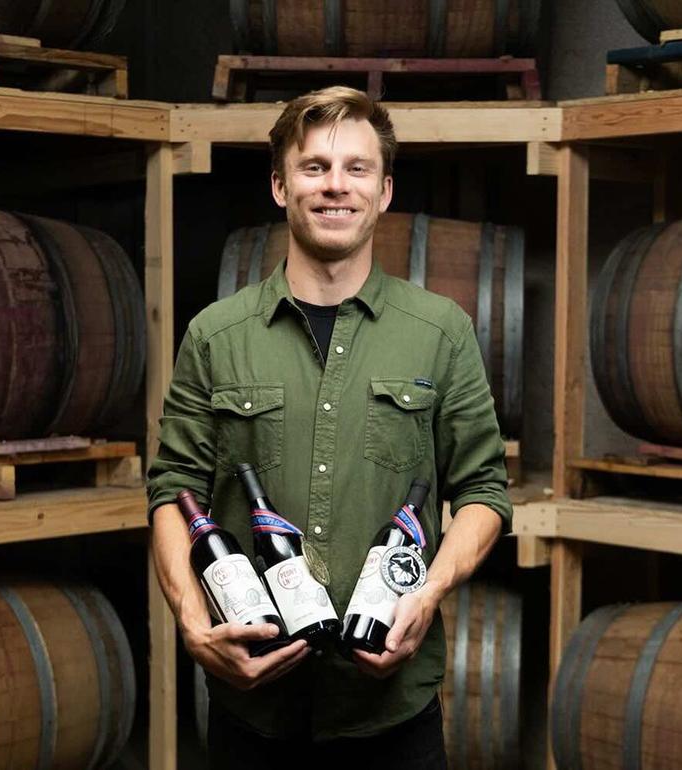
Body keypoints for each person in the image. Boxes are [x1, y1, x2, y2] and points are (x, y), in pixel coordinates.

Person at [147, 86, 512, 770]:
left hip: (391, 714)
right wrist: (194, 629)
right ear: (281, 186)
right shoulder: (214, 335)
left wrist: (429, 593)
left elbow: (485, 492)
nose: (336, 186)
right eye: (314, 167)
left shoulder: (440, 331)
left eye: (357, 168)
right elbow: (173, 489)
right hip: (250, 707)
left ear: (385, 190)